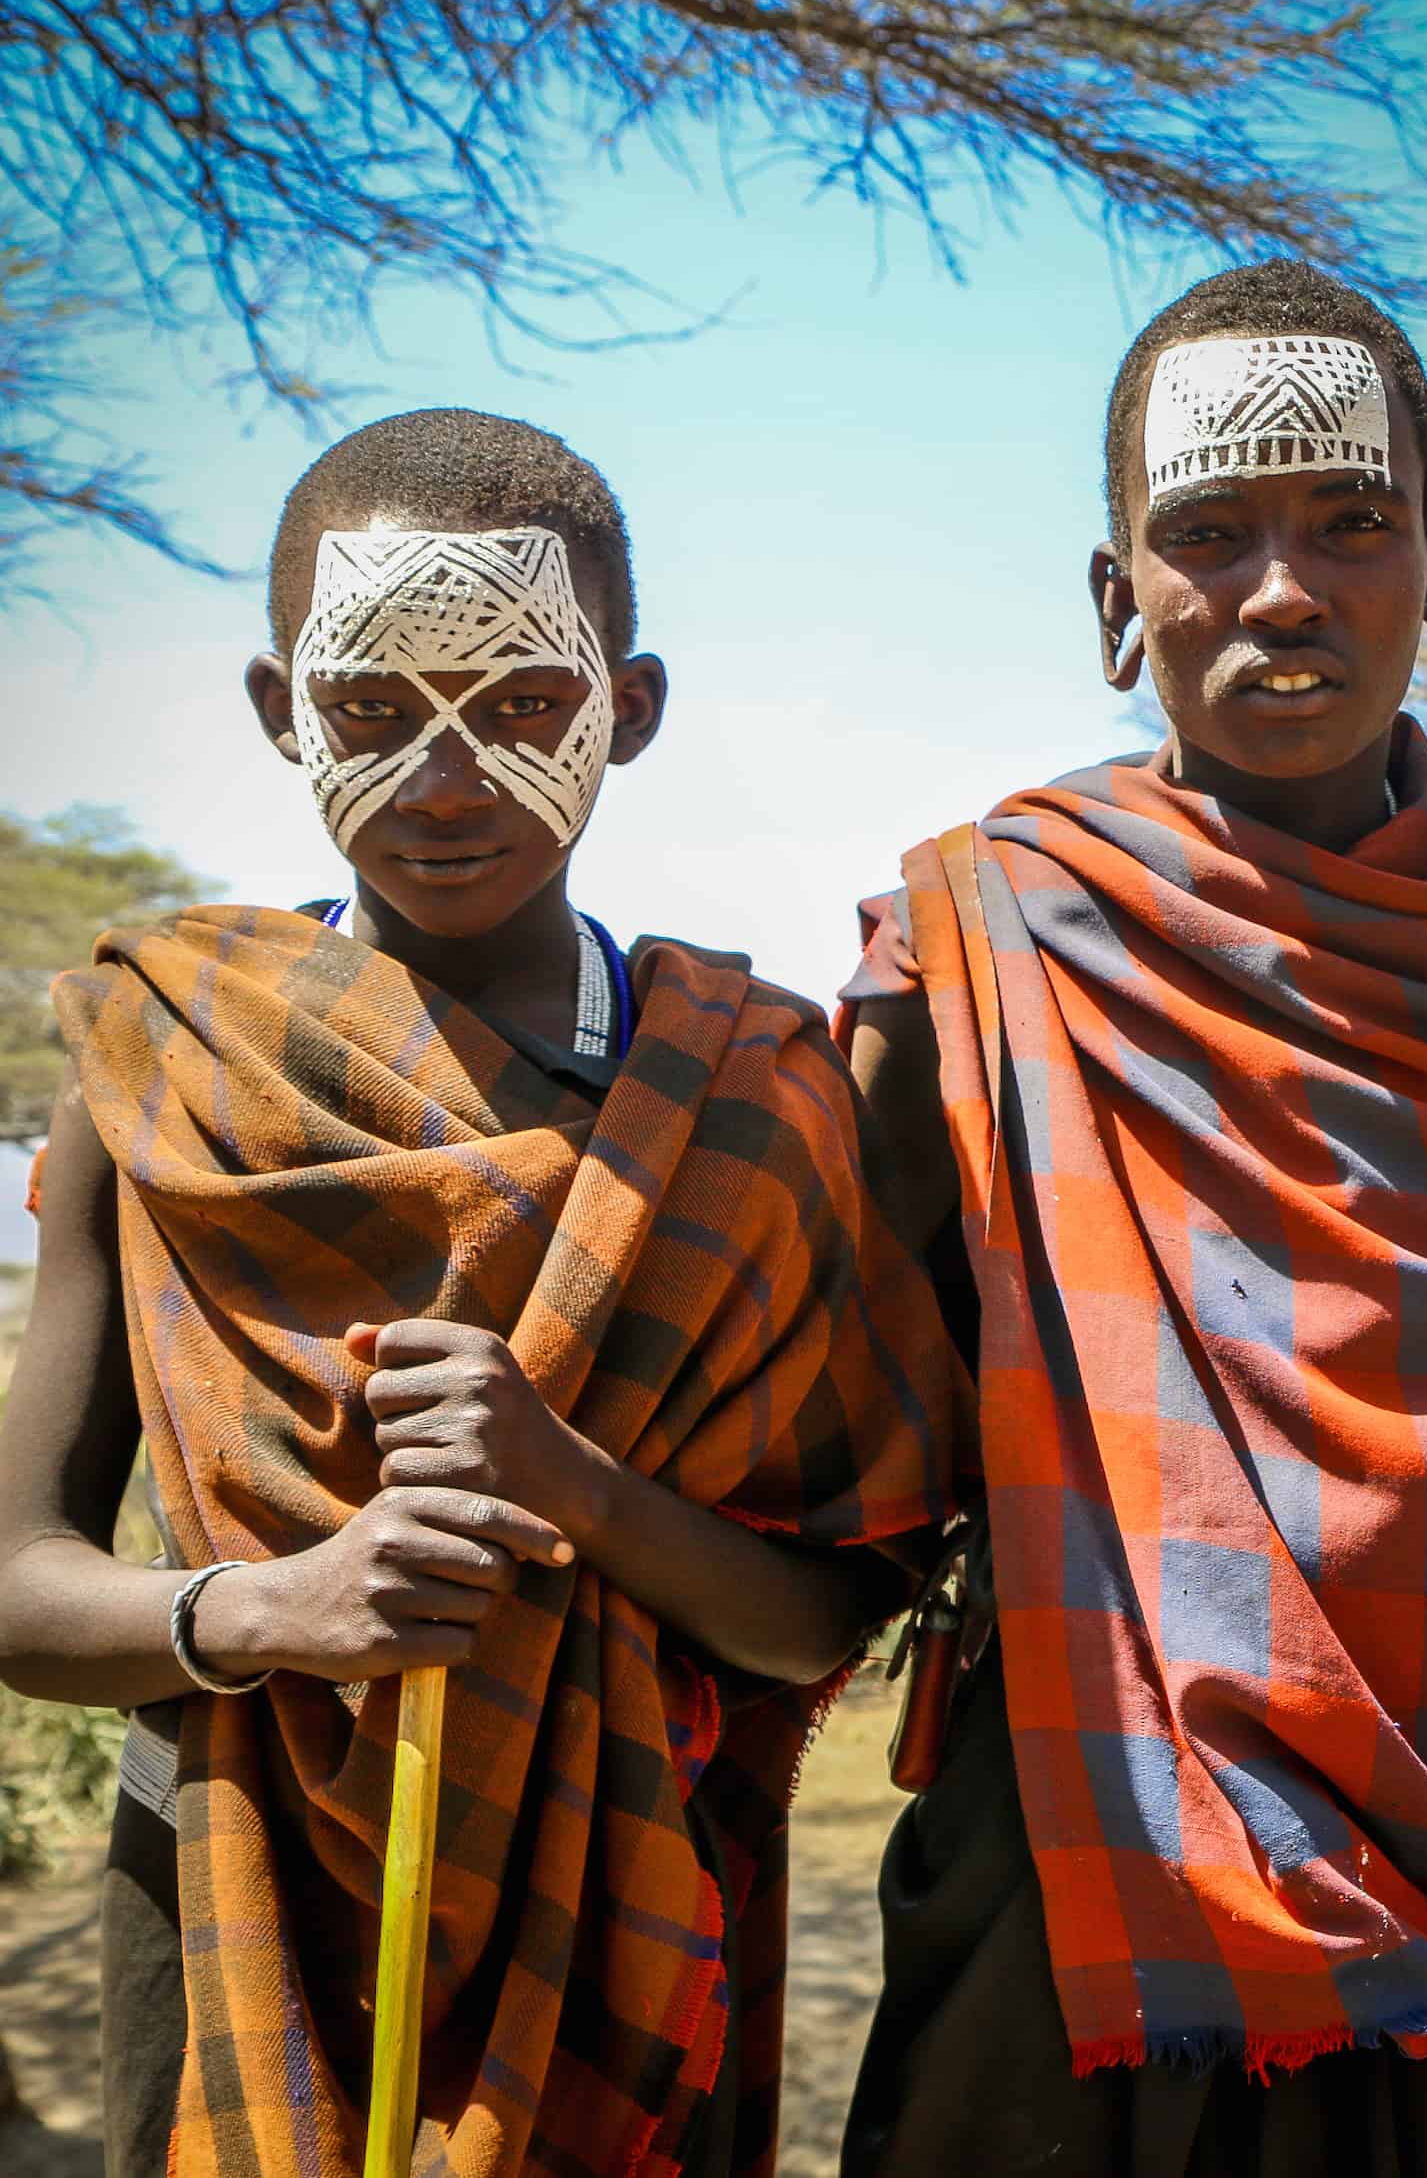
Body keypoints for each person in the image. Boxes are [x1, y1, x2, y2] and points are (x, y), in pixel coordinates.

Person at [0, 408, 966, 2178]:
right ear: (280, 707)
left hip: (632, 1892)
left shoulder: (755, 1094)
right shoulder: (158, 1064)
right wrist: (278, 1609)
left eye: (526, 703)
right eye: (372, 710)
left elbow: (828, 1617)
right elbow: (13, 1591)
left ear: (635, 707)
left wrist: (574, 1489)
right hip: (230, 1888)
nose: (447, 784)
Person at [837, 262, 1427, 2176]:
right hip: (1078, 1836)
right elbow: (862, 1439)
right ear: (1113, 602)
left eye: (1350, 524)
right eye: (1206, 533)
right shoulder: (969, 945)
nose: (1282, 589)